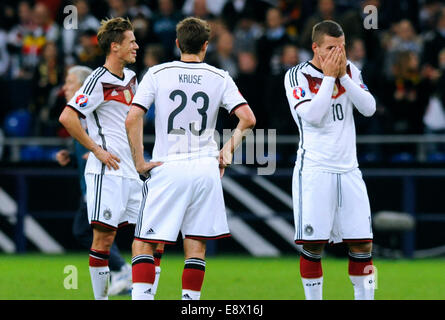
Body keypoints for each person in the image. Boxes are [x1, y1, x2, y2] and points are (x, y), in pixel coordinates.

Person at [126, 17, 256, 300]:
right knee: (195, 245)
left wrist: (138, 161)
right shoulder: (220, 77)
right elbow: (248, 119)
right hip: (205, 168)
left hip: (167, 166)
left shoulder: (158, 73)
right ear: (206, 46)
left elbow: (133, 117)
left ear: (177, 44)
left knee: (144, 243)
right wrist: (227, 151)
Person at [58, 17, 163, 300]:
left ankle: (143, 296)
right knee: (103, 240)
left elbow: (134, 122)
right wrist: (96, 149)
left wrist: (140, 161)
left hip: (131, 172)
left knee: (155, 238)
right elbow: (68, 116)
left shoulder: (131, 78)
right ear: (115, 47)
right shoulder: (96, 80)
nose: (137, 47)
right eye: (131, 42)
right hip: (107, 172)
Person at [284, 20, 377, 300]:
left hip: (349, 169)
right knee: (313, 246)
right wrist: (328, 78)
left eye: (342, 47)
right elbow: (313, 116)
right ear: (315, 48)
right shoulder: (296, 75)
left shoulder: (351, 71)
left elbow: (369, 108)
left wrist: (345, 77)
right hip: (315, 169)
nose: (338, 53)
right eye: (331, 48)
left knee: (363, 245)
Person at [56, 65, 133, 296]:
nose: (65, 87)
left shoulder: (93, 105)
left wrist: (98, 150)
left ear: (82, 85)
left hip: (104, 177)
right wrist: (71, 155)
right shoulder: (82, 112)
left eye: (70, 82)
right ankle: (122, 271)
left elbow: (108, 133)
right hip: (91, 182)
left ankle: (122, 270)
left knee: (93, 230)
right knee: (91, 230)